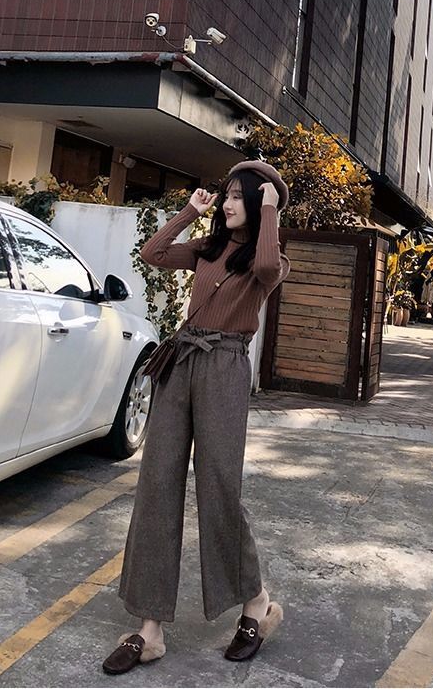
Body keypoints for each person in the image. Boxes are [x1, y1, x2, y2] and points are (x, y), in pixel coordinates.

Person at [102, 160, 291, 675]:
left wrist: (271, 211)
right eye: (227, 195)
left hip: (225, 366)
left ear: (261, 203)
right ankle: (149, 630)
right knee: (157, 483)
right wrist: (189, 211)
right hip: (182, 360)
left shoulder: (269, 258)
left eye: (239, 196)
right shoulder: (209, 248)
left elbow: (267, 270)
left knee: (218, 488)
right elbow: (153, 253)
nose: (228, 203)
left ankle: (256, 602)